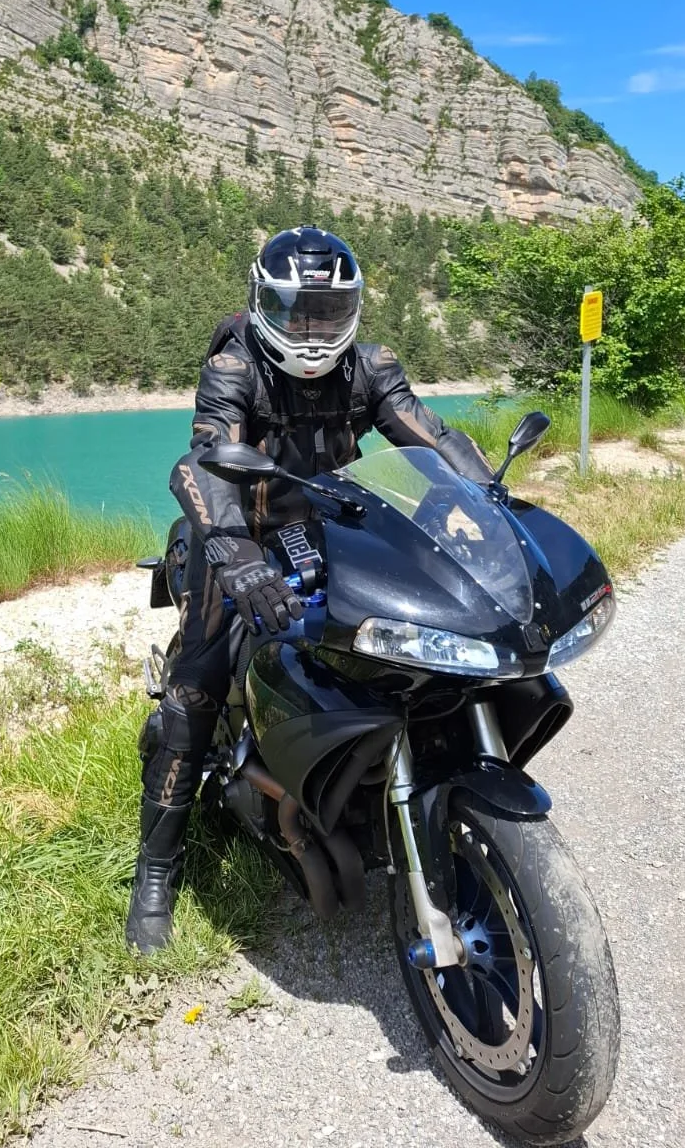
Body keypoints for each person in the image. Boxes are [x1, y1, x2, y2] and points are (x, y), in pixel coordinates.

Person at [126, 225, 494, 954]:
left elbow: (432, 437)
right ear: (263, 303)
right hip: (239, 538)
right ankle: (156, 871)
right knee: (195, 692)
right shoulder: (235, 368)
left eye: (327, 312)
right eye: (296, 312)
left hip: (333, 531)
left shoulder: (370, 366)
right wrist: (236, 556)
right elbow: (204, 462)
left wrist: (492, 500)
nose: (312, 330)